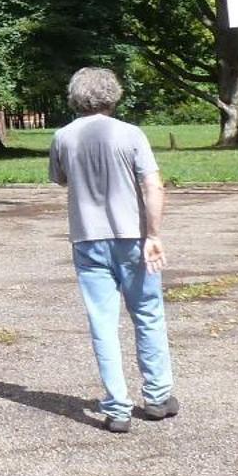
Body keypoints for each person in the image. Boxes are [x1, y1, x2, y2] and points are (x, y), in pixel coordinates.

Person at [47, 66, 174, 434]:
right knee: (148, 313)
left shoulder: (63, 137)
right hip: (132, 237)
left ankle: (117, 407)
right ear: (112, 94)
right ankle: (156, 396)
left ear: (75, 97)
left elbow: (61, 179)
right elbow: (153, 185)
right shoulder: (131, 134)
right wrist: (154, 234)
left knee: (103, 321)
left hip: (87, 238)